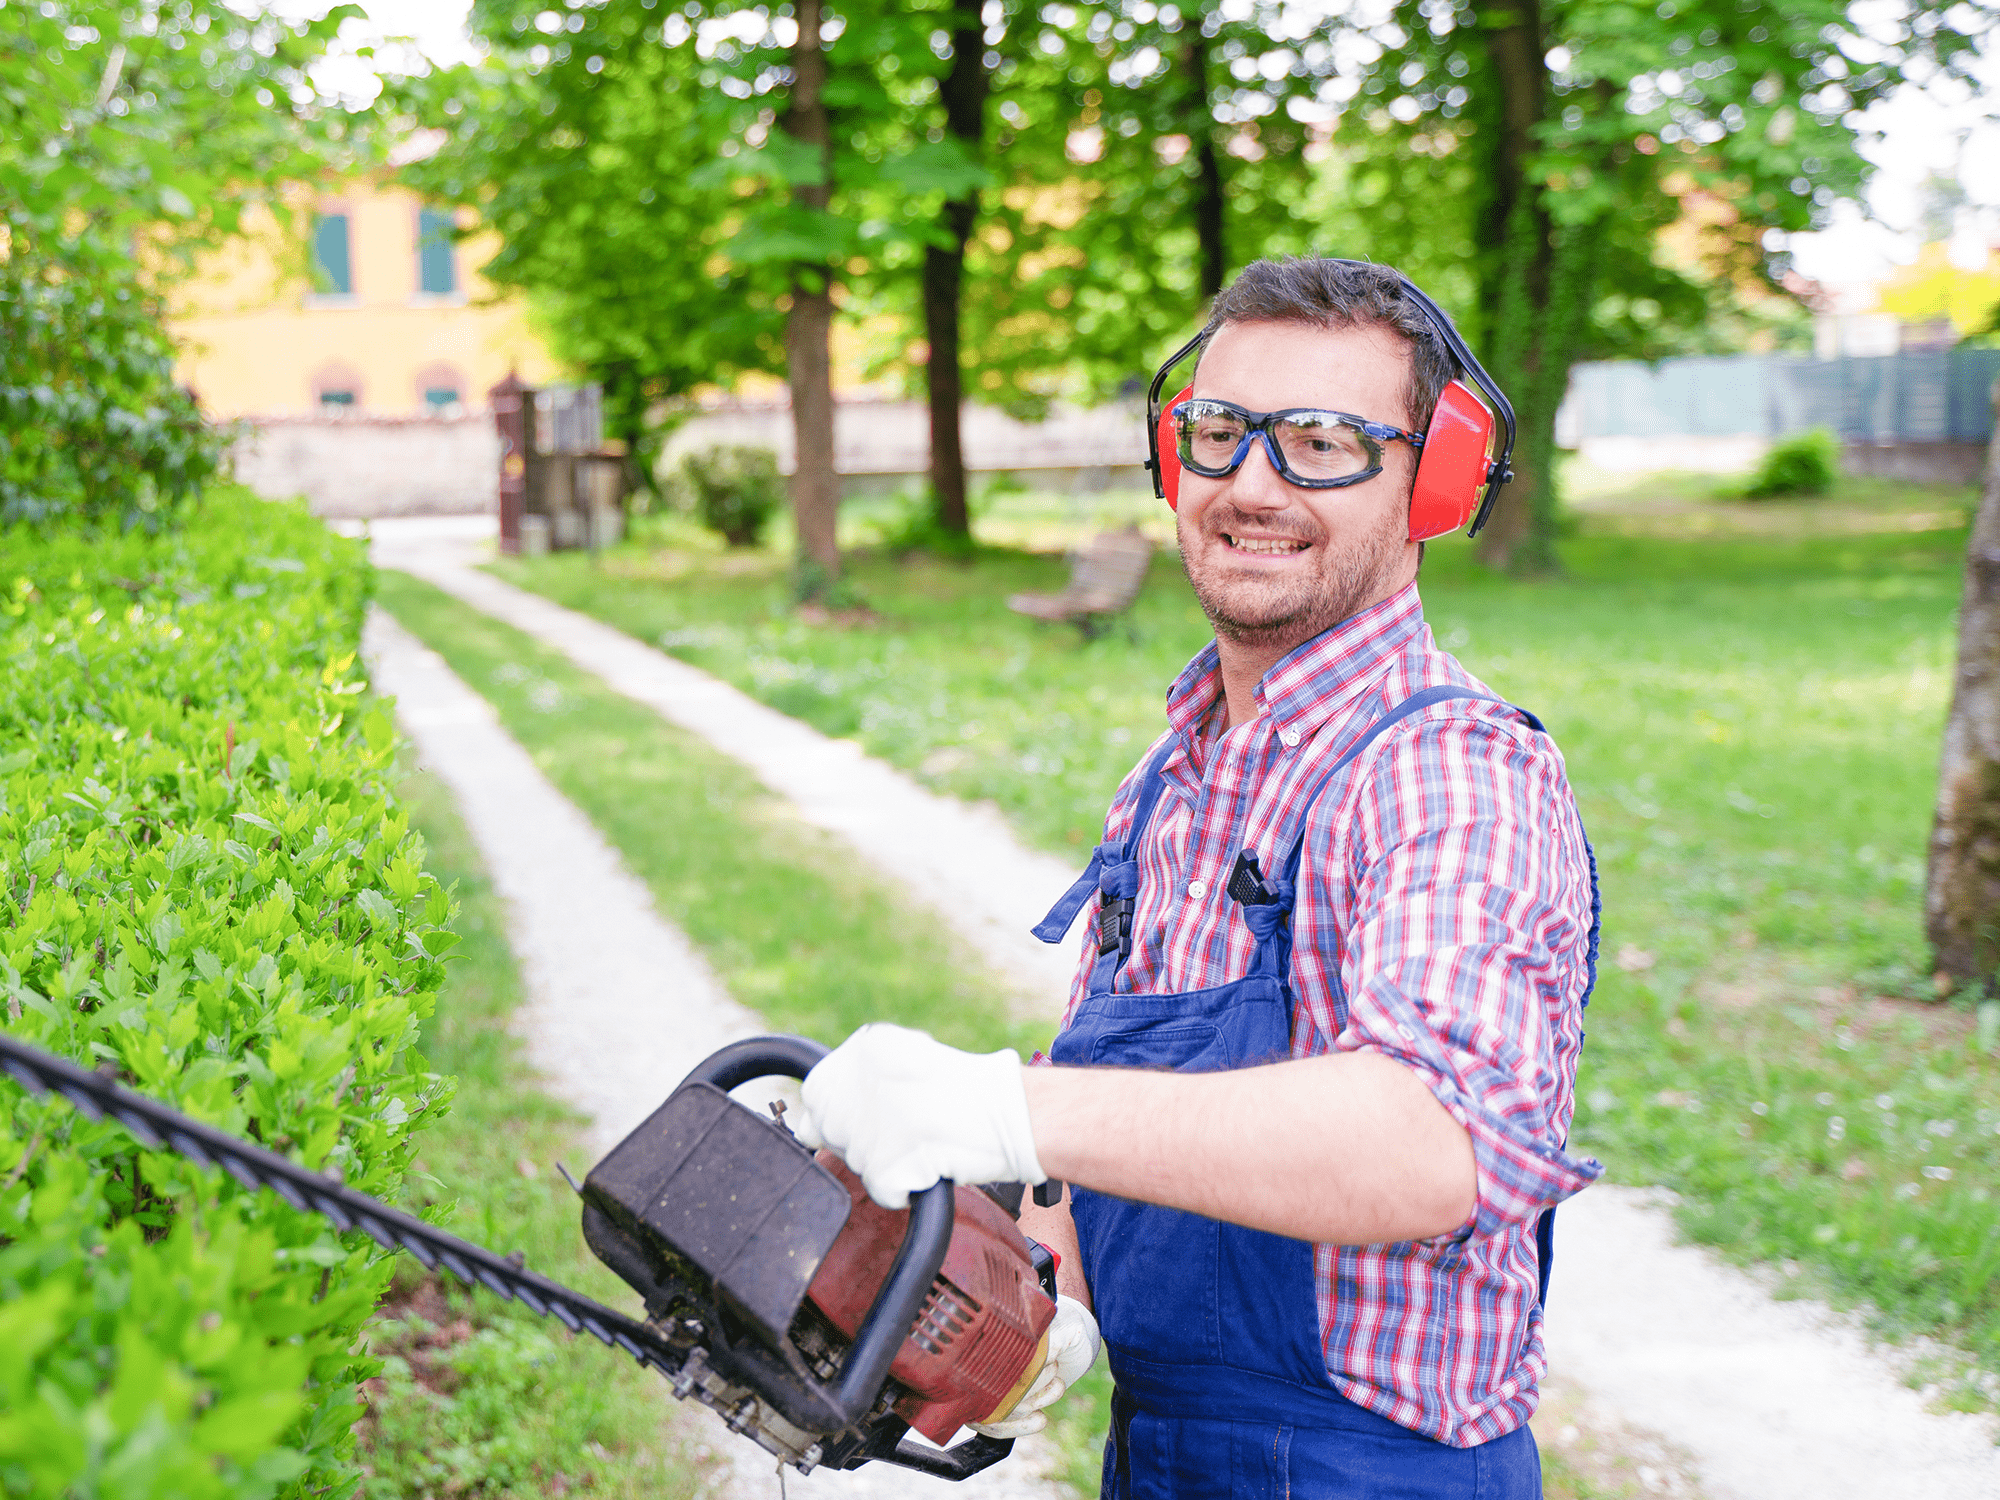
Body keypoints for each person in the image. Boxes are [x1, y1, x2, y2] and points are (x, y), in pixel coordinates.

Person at [797, 257, 1601, 1497]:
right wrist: (1029, 1293)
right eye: (1219, 432)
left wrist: (1004, 1106)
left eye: (1325, 441)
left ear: (1430, 480)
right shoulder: (1175, 774)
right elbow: (1118, 1093)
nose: (1252, 483)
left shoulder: (1448, 771)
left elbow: (1435, 1139)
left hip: (1374, 1476)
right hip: (1160, 1454)